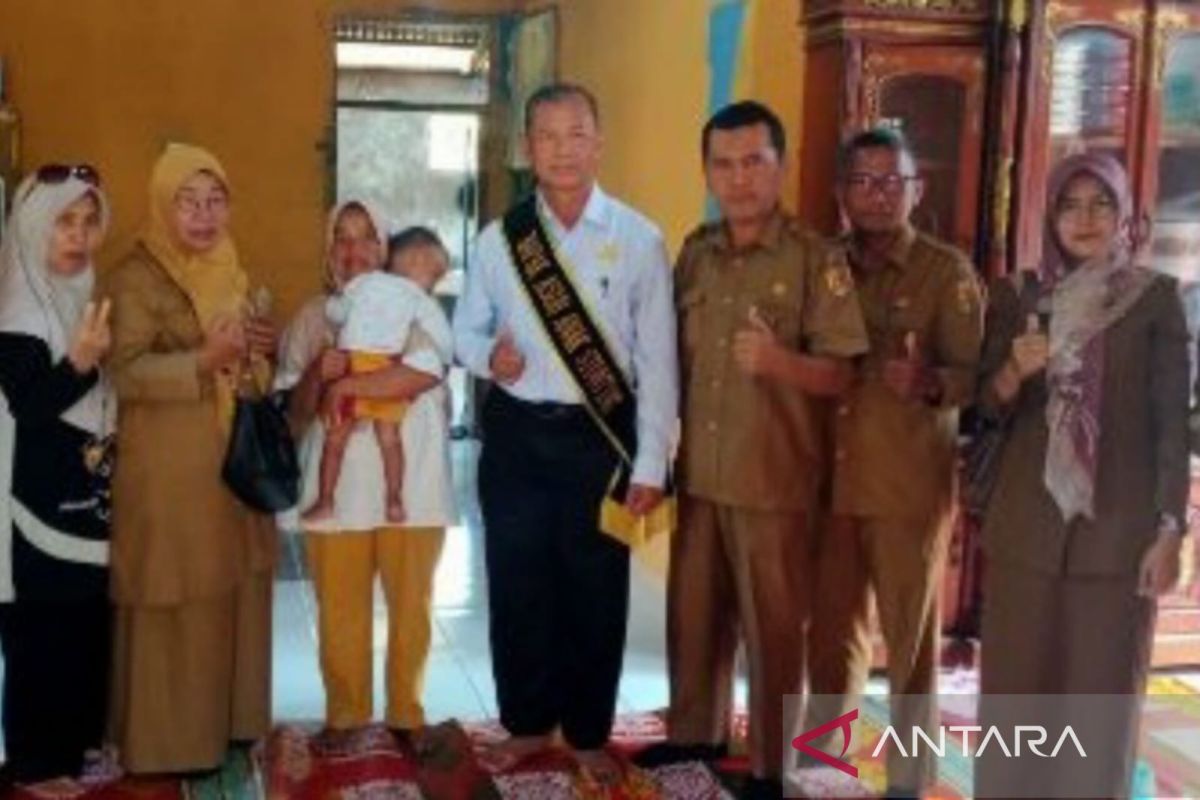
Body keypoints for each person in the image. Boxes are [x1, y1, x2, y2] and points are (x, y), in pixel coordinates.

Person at [634, 100, 867, 799]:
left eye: (753, 162)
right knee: (694, 617)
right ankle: (694, 735)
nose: (738, 179)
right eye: (723, 164)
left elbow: (844, 370)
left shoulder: (814, 258)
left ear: (782, 165)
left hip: (775, 478)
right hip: (701, 476)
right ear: (707, 171)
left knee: (772, 632)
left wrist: (778, 362)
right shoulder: (697, 252)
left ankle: (771, 764)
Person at [452, 82, 677, 780]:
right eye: (547, 136)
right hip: (516, 436)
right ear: (527, 149)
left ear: (598, 141)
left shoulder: (639, 239)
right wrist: (490, 355)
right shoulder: (500, 240)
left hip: (597, 443)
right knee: (516, 583)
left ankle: (585, 732)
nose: (563, 150)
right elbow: (464, 327)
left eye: (576, 133)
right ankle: (524, 723)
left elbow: (658, 361)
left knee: (594, 589)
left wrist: (648, 466)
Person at [975, 153, 1189, 798]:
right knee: (1016, 690)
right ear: (1051, 215)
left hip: (1116, 536)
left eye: (1102, 204)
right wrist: (1014, 372)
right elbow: (983, 407)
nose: (1086, 219)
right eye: (1071, 204)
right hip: (1025, 532)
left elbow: (1169, 427)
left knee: (1099, 696)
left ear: (1126, 216)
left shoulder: (1153, 300)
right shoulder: (1018, 296)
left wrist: (1170, 528)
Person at [805, 128, 983, 797]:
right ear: (841, 192)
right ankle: (825, 764)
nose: (877, 196)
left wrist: (931, 381)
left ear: (917, 190)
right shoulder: (821, 264)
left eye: (891, 182)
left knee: (910, 646)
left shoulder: (947, 273)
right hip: (831, 483)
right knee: (831, 638)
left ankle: (909, 779)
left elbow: (977, 375)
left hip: (908, 487)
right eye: (862, 181)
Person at [105, 143, 277, 774]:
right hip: (171, 474)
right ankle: (167, 742)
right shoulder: (134, 276)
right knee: (177, 598)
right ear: (161, 204)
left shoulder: (230, 268)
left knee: (232, 593)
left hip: (231, 465)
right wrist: (201, 364)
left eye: (215, 201)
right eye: (188, 201)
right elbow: (121, 374)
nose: (204, 217)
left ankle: (230, 723)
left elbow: (250, 369)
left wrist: (263, 348)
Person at [278, 205, 453, 736]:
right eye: (341, 241)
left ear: (384, 247)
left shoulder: (411, 303)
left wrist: (348, 385)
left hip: (412, 483)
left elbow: (423, 374)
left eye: (366, 240)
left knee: (411, 609)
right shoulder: (314, 316)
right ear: (328, 253)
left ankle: (406, 716)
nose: (354, 252)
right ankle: (347, 717)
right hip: (335, 489)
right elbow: (290, 412)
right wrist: (318, 372)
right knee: (341, 612)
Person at [0, 165, 114, 784]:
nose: (79, 235)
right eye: (63, 222)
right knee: (41, 631)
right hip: (31, 502)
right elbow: (31, 406)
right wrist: (79, 362)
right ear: (31, 228)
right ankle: (37, 761)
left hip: (84, 496)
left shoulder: (80, 296)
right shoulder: (16, 312)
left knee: (82, 624)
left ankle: (76, 748)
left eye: (90, 221)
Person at [302, 230, 452, 524]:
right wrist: (448, 355)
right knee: (389, 439)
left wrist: (335, 309)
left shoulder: (364, 284)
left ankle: (326, 500)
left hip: (356, 366)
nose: (433, 285)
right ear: (417, 261)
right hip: (383, 366)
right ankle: (393, 498)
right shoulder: (419, 300)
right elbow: (443, 341)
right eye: (434, 274)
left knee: (336, 440)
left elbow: (337, 309)